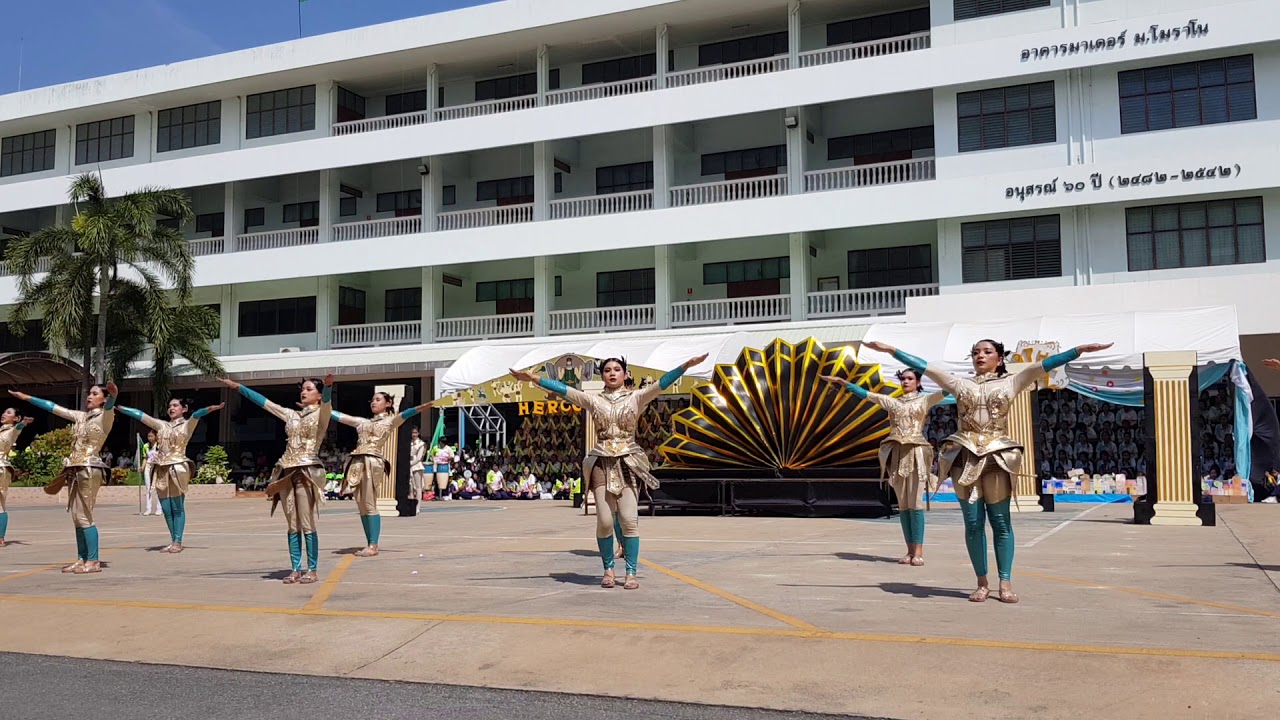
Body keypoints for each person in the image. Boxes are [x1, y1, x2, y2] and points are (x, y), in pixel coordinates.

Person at [862, 338, 1112, 604]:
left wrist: (1078, 351)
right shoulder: (960, 384)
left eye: (987, 352)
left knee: (1001, 521)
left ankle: (1005, 581)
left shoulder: (1012, 381)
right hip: (964, 456)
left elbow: (1044, 365)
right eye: (976, 352)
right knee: (973, 523)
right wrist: (892, 351)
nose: (980, 356)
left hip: (997, 456)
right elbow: (926, 367)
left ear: (1000, 358)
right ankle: (982, 582)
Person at [511, 353, 706, 590]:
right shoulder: (594, 401)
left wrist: (685, 365)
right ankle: (608, 570)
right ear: (602, 375)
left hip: (628, 462)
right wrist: (533, 378)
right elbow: (564, 390)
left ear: (625, 374)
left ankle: (631, 573)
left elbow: (661, 384)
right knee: (604, 521)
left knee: (628, 520)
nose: (612, 373)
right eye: (607, 370)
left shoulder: (637, 398)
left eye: (616, 369)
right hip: (601, 461)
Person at [819, 368, 946, 566]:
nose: (905, 382)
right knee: (903, 505)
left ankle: (919, 551)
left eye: (910, 378)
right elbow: (867, 395)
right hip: (896, 453)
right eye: (903, 378)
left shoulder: (925, 400)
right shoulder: (892, 402)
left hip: (916, 453)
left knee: (916, 503)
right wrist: (843, 383)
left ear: (918, 382)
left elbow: (948, 390)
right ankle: (909, 550)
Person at [220, 374, 332, 585]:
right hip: (285, 471)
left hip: (307, 470)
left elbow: (327, 402)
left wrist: (328, 387)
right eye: (303, 389)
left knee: (307, 522)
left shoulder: (322, 415)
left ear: (317, 395)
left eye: (309, 389)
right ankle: (296, 568)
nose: (304, 392)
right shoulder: (291, 415)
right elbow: (265, 403)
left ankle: (313, 569)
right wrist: (238, 387)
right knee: (292, 523)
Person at [10, 382, 119, 574]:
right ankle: (81, 558)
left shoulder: (105, 417)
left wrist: (113, 396)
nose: (89, 397)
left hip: (90, 468)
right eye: (90, 394)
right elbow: (54, 408)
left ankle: (93, 561)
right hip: (75, 468)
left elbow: (110, 406)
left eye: (95, 394)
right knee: (77, 517)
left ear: (103, 399)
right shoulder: (80, 417)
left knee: (85, 516)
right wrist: (27, 398)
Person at [330, 391, 432, 557]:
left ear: (388, 404)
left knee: (369, 503)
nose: (374, 402)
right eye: (372, 400)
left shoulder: (389, 421)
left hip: (373, 462)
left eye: (378, 400)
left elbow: (406, 414)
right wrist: (322, 405)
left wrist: (423, 407)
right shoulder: (362, 422)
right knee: (361, 504)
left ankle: (373, 544)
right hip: (357, 463)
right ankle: (369, 542)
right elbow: (340, 416)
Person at [117, 397, 225, 553]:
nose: (171, 408)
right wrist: (120, 408)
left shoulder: (187, 425)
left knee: (177, 507)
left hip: (178, 467)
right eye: (170, 406)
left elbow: (197, 414)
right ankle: (172, 539)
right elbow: (141, 415)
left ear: (184, 409)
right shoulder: (162, 425)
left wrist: (212, 408)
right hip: (161, 468)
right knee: (166, 508)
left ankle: (177, 541)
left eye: (175, 405)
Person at [0, 409, 33, 547]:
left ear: (16, 418)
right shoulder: (1, 431)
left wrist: (22, 423)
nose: (3, 414)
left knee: (0, 504)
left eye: (8, 413)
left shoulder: (12, 431)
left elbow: (18, 429)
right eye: (4, 412)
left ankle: (0, 537)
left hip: (1, 468)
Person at [141, 430, 161, 516]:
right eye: (148, 436)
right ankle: (148, 509)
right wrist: (142, 467)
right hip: (149, 467)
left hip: (157, 467)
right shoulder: (146, 446)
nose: (149, 438)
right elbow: (145, 458)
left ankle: (159, 508)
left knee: (157, 488)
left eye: (151, 436)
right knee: (148, 488)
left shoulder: (160, 445)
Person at [409, 426, 427, 506]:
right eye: (413, 433)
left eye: (415, 433)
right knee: (410, 487)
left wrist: (410, 464)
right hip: (408, 465)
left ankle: (418, 506)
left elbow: (419, 458)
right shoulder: (409, 442)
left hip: (416, 465)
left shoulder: (421, 444)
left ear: (418, 433)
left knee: (418, 487)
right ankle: (412, 505)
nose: (414, 434)